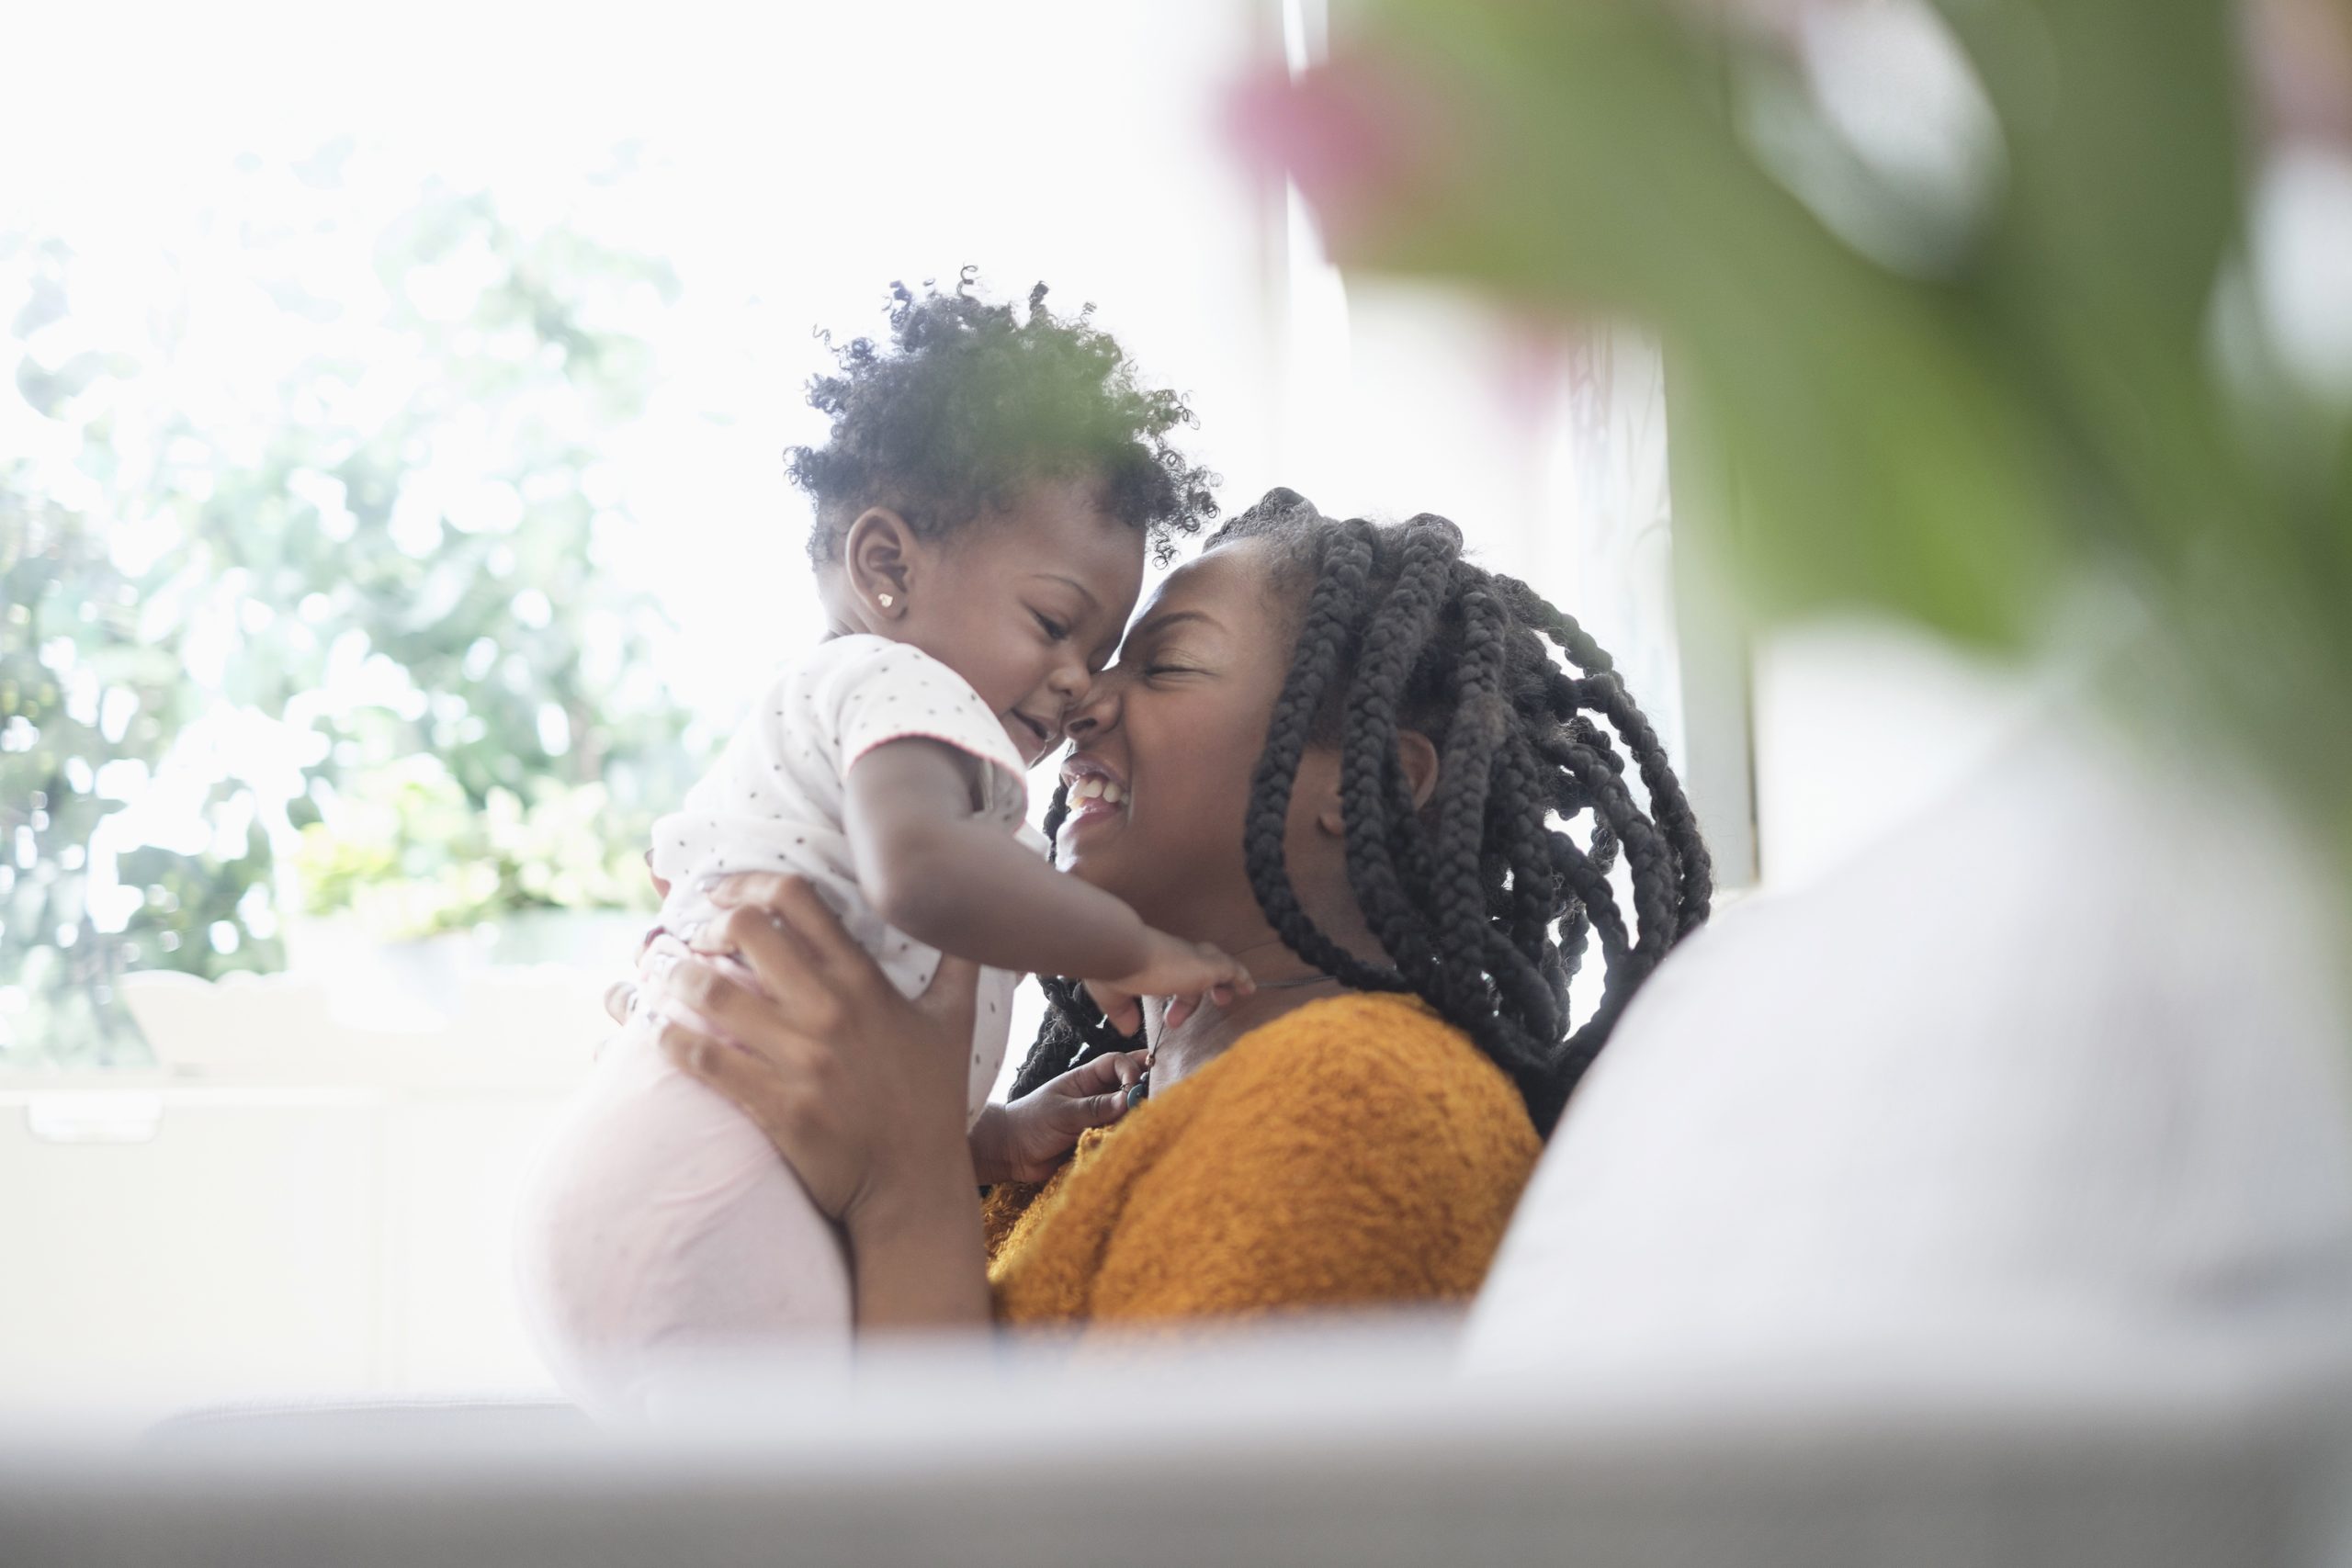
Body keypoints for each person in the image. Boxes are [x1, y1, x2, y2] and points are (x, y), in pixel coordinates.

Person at [623, 488, 1713, 1337]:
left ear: (1371, 781)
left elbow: (1008, 1523)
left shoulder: (1357, 1108)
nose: (1079, 700)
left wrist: (901, 1176)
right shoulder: (1092, 1133)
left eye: (1169, 664)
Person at [514, 278, 1246, 1417]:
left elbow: (871, 1062)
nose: (1078, 685)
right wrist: (1133, 947)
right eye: (1054, 625)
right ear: (887, 570)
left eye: (1101, 650)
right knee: (859, 1480)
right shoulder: (898, 686)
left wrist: (987, 1139)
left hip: (657, 1182)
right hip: (707, 1199)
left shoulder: (850, 722)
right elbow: (925, 877)